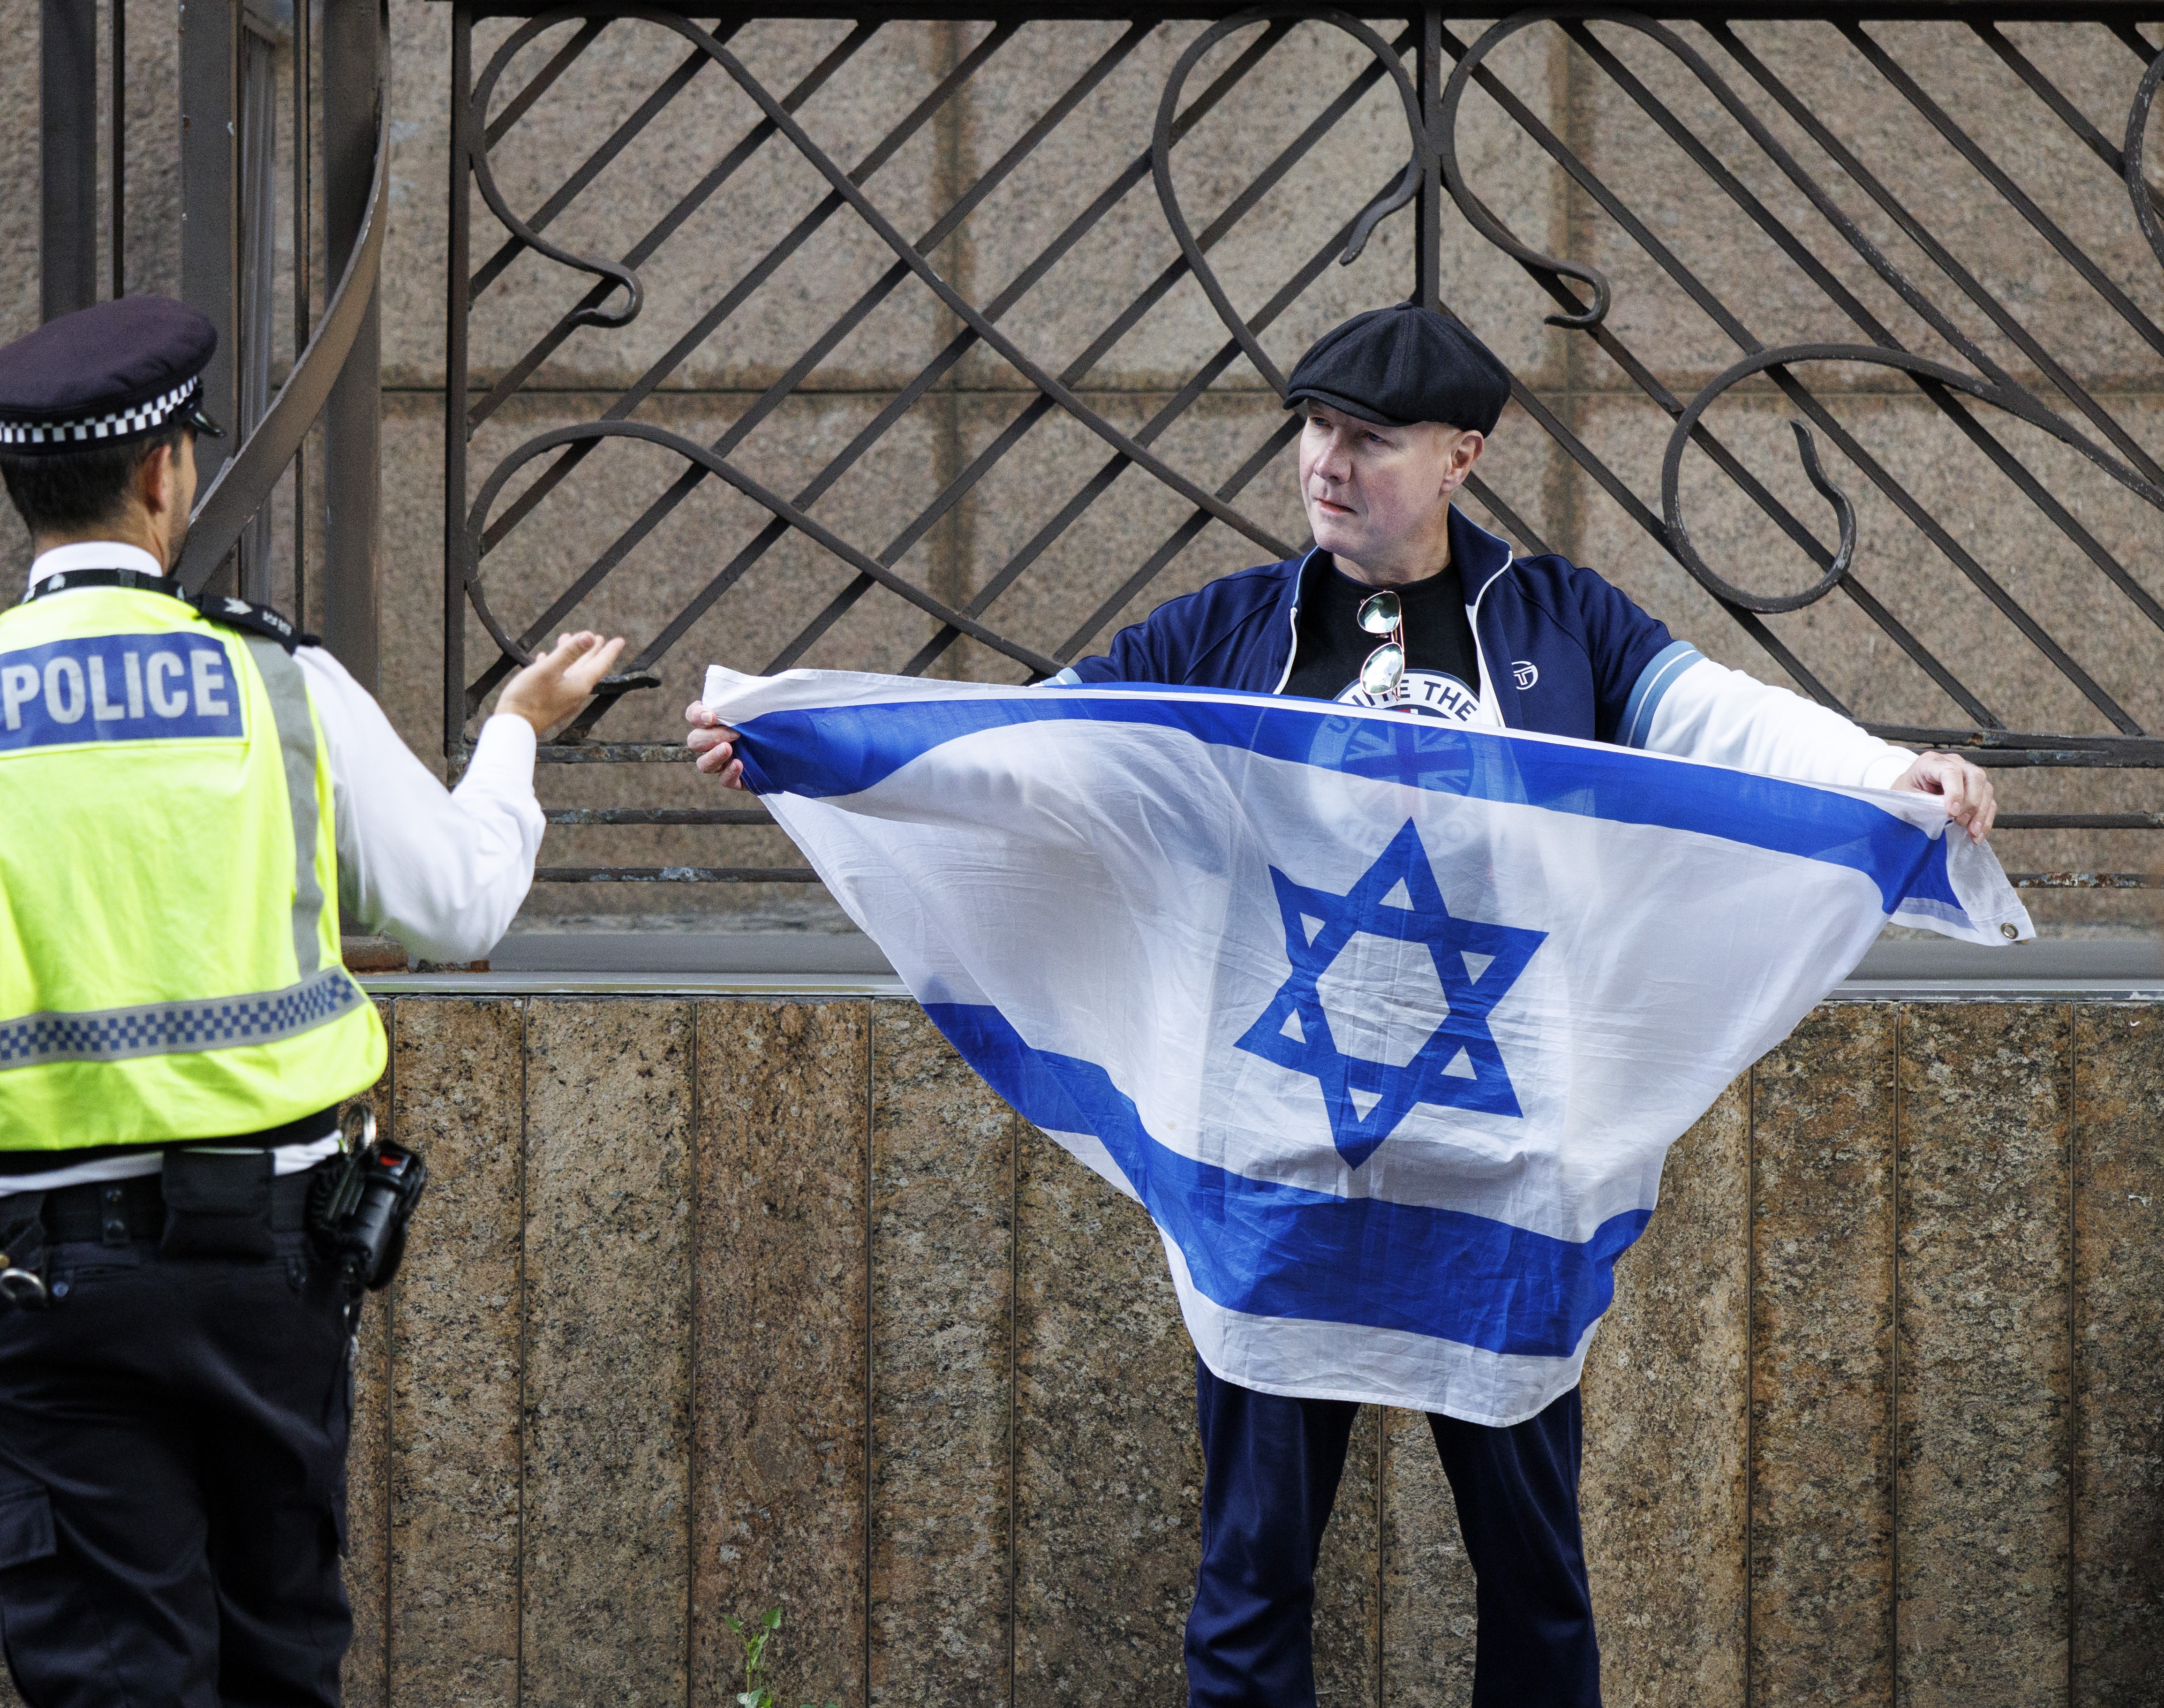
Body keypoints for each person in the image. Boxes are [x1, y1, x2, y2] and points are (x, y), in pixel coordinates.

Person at [684, 300, 1996, 1706]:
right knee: (1251, 1577)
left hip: (1496, 1175)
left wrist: (1890, 776)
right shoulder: (1231, 627)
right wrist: (821, 746)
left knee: (1536, 1583)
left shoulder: (1564, 626)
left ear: (1461, 456)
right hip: (1278, 1169)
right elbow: (1032, 747)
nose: (1326, 460)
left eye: (1369, 438)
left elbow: (1727, 723)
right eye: (1314, 427)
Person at [0, 293, 621, 1708]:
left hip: (27, 1283)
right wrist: (513, 735)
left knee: (116, 1676)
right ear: (165, 470)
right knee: (278, 1663)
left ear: (21, 486)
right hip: (270, 1277)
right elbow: (458, 904)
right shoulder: (281, 682)